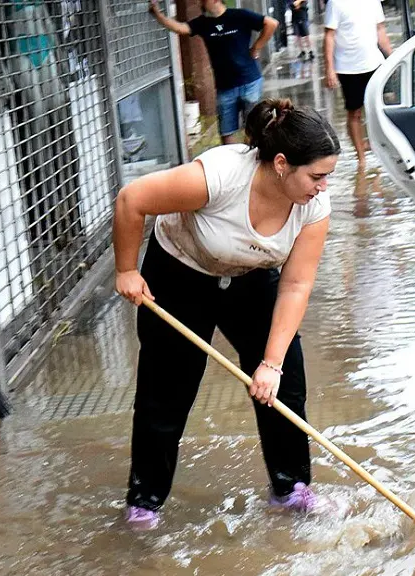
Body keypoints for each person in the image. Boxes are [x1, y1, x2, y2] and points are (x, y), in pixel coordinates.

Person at [114, 98, 341, 529]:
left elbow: (296, 285)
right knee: (168, 390)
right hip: (181, 270)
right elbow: (132, 199)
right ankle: (145, 502)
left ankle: (291, 488)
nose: (323, 187)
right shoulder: (218, 177)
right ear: (281, 164)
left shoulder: (314, 206)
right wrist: (126, 269)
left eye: (328, 176)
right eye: (316, 176)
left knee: (285, 384)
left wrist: (270, 364)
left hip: (250, 275)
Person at [149, 0, 277, 144]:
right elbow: (180, 28)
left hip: (250, 82)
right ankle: (232, 158)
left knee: (253, 130)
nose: (200, 2)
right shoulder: (203, 23)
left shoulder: (239, 15)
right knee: (226, 132)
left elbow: (271, 23)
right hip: (224, 87)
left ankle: (253, 156)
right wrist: (158, 15)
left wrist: (256, 47)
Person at [323, 0, 393, 167]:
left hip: (374, 63)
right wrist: (330, 69)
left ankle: (377, 148)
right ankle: (361, 158)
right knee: (354, 113)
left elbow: (380, 30)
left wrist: (392, 57)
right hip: (348, 68)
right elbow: (329, 36)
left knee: (381, 107)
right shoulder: (336, 3)